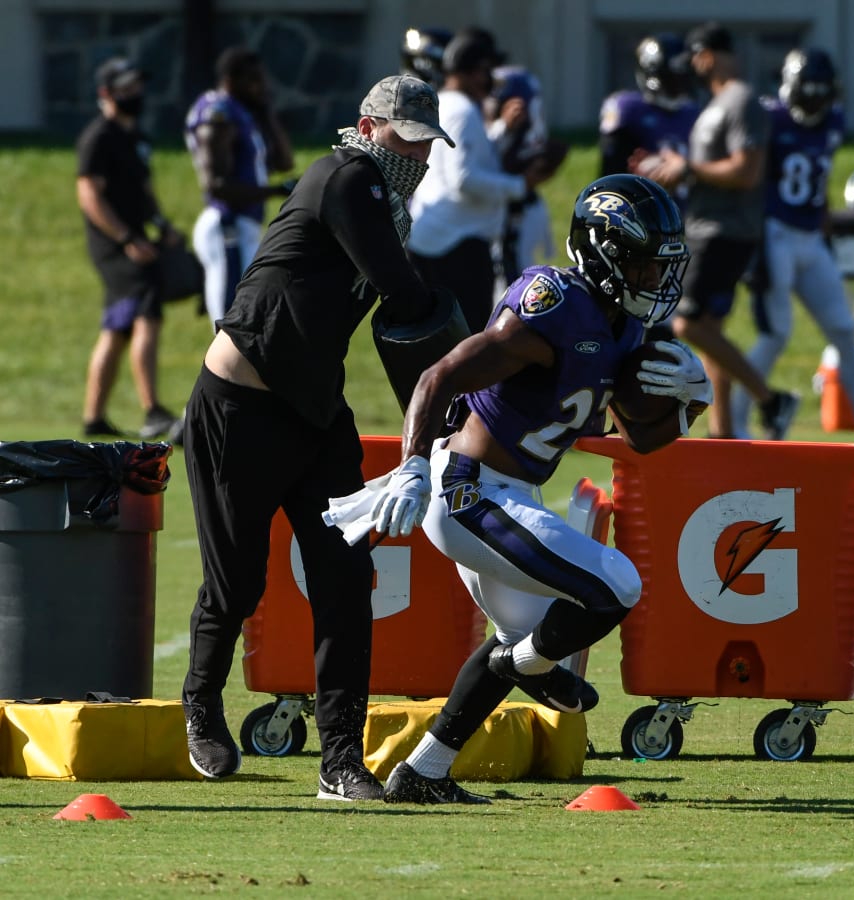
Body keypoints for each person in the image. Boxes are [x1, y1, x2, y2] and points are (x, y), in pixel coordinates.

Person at [328, 174, 705, 805]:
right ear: (603, 253)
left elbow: (641, 440)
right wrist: (413, 465)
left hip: (512, 497)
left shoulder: (624, 329)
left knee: (529, 641)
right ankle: (522, 665)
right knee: (615, 587)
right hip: (467, 492)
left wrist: (686, 408)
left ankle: (422, 772)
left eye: (658, 266)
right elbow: (439, 376)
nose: (652, 280)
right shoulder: (555, 305)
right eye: (641, 264)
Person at [179, 74, 455, 801]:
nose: (417, 158)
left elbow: (402, 321)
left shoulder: (387, 205)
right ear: (367, 129)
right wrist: (480, 356)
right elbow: (405, 292)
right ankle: (201, 703)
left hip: (316, 413)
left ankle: (340, 760)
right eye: (407, 140)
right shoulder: (345, 176)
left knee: (343, 583)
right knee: (237, 582)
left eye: (428, 146)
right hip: (238, 404)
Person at [638, 22, 798, 440]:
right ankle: (722, 430)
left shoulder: (742, 100)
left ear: (705, 55)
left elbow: (747, 172)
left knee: (687, 325)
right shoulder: (716, 103)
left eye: (693, 57)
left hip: (725, 230)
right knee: (711, 330)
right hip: (710, 227)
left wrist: (689, 169)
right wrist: (673, 169)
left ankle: (769, 398)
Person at [730, 48, 854, 443]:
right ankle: (735, 424)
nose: (814, 101)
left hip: (811, 238)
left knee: (844, 331)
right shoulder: (770, 118)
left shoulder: (831, 121)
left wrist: (826, 227)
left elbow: (819, 184)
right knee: (776, 334)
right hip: (775, 234)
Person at [407, 29, 557, 333]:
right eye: (487, 71)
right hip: (455, 246)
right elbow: (463, 180)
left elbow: (468, 160)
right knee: (467, 340)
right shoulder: (461, 110)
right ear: (475, 72)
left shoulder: (448, 104)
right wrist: (521, 184)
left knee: (442, 341)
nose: (491, 79)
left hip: (439, 238)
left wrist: (501, 128)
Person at [76, 56, 185, 441]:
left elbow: (143, 191)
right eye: (126, 86)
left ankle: (94, 417)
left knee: (118, 328)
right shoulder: (99, 136)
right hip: (117, 247)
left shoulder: (136, 137)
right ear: (106, 93)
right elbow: (89, 193)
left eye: (137, 85)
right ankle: (153, 410)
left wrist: (162, 226)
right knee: (146, 315)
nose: (135, 93)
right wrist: (126, 239)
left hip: (138, 240)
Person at [185, 46, 295, 327]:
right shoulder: (219, 115)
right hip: (227, 227)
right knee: (231, 325)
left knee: (248, 323)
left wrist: (267, 112)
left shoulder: (243, 113)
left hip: (243, 226)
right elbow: (217, 187)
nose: (261, 87)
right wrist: (276, 191)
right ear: (232, 80)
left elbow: (284, 162)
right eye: (254, 80)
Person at [486, 65, 568, 291]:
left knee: (512, 281)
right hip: (516, 206)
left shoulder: (514, 130)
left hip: (514, 211)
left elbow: (490, 156)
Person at [598, 32, 699, 209]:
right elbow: (610, 173)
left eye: (683, 75)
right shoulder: (628, 108)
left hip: (687, 211)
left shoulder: (693, 112)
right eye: (674, 75)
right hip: (639, 210)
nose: (680, 82)